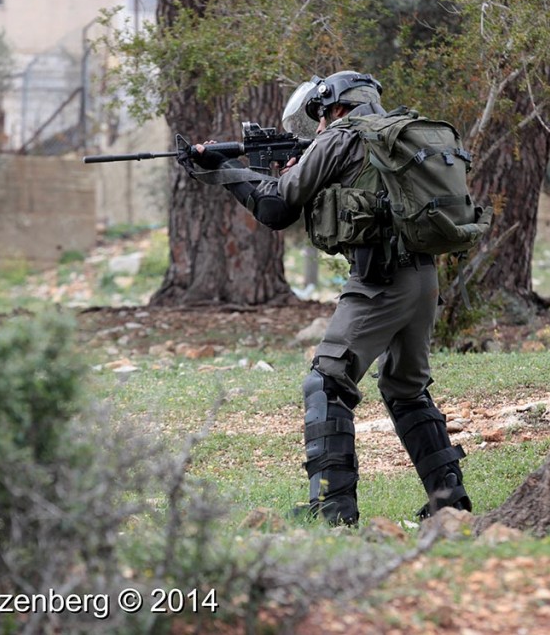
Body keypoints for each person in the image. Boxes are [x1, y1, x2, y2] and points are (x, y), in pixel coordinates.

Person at [183, 71, 471, 526]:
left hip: (379, 281)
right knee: (405, 389)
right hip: (422, 280)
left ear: (336, 107)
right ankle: (449, 500)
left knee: (327, 382)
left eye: (319, 115)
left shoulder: (339, 137)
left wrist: (222, 172)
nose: (316, 126)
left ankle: (332, 509)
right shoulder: (394, 136)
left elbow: (276, 208)